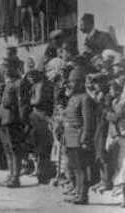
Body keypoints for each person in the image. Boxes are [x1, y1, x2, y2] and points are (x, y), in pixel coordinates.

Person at [0, 58, 30, 188]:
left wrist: (23, 121)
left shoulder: (19, 84)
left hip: (13, 120)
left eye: (7, 67)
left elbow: (22, 105)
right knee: (7, 149)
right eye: (4, 67)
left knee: (15, 150)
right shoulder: (8, 83)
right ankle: (10, 175)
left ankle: (15, 178)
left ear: (14, 68)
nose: (4, 70)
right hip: (3, 119)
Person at [63, 67, 96, 204]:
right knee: (74, 167)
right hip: (69, 136)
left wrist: (84, 139)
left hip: (78, 137)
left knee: (81, 168)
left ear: (82, 83)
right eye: (70, 81)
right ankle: (77, 192)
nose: (71, 84)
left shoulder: (85, 99)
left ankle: (83, 195)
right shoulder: (73, 97)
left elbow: (88, 122)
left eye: (75, 82)